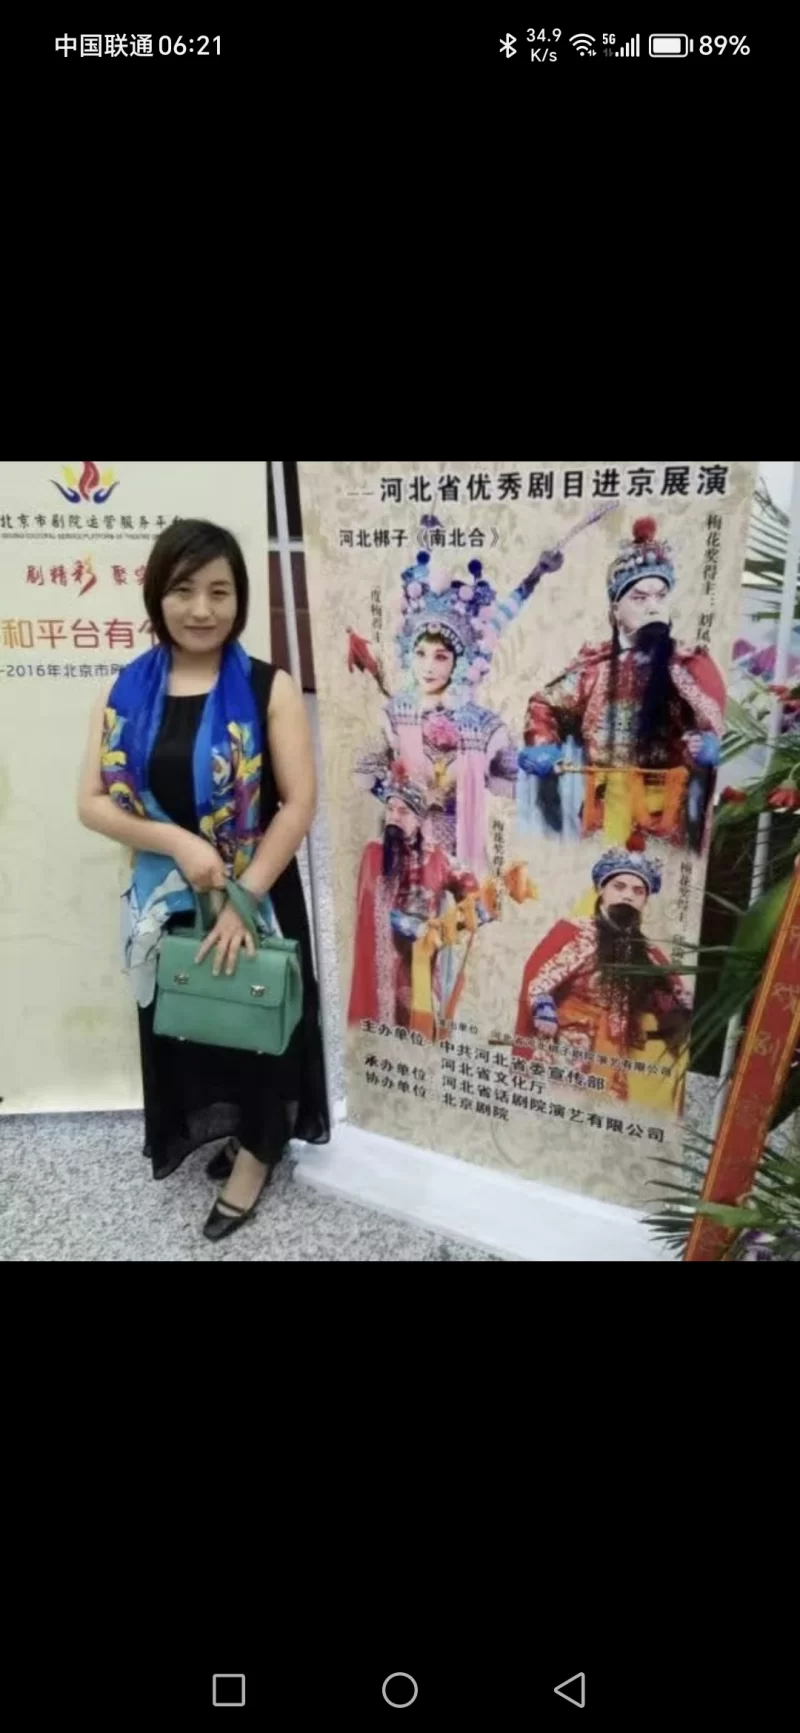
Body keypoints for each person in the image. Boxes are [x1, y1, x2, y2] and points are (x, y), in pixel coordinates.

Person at [78, 518, 328, 1242]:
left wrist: (242, 899)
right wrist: (178, 843)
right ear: (157, 596)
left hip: (256, 889)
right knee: (194, 1024)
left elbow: (298, 804)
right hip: (167, 897)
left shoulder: (268, 686)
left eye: (220, 591)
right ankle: (230, 1124)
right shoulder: (124, 689)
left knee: (257, 1023)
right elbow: (91, 802)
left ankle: (258, 1147)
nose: (201, 608)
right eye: (183, 590)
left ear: (240, 599)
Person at [349, 533, 567, 873]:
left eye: (440, 656)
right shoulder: (395, 714)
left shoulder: (483, 725)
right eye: (420, 654)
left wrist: (541, 766)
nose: (428, 667)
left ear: (459, 662)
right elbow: (363, 771)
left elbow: (510, 777)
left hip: (462, 859)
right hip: (403, 853)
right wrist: (406, 798)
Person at [518, 516, 727, 851]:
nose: (653, 607)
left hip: (666, 815)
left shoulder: (686, 665)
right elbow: (545, 703)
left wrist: (706, 744)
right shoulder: (595, 668)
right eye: (640, 598)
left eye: (661, 597)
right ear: (616, 609)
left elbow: (710, 719)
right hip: (603, 810)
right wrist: (542, 744)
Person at [513, 846, 692, 1112]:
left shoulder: (645, 951)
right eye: (619, 887)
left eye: (638, 891)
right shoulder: (577, 932)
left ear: (645, 900)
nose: (628, 896)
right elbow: (540, 978)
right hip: (567, 1044)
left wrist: (675, 1007)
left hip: (612, 1048)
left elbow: (666, 994)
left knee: (601, 1118)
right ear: (601, 889)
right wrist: (543, 1008)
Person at [347, 771, 485, 1040]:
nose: (394, 817)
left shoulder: (438, 857)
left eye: (403, 812)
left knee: (418, 1036)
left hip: (421, 967)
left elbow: (474, 895)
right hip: (380, 967)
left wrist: (450, 925)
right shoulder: (373, 853)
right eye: (390, 809)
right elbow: (374, 910)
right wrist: (403, 922)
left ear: (419, 819)